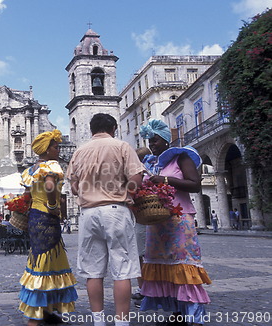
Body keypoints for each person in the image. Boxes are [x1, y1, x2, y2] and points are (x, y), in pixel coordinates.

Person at [66, 113, 144, 326]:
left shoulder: (79, 152)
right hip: (116, 210)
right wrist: (128, 194)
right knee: (122, 270)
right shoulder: (121, 147)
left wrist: (86, 189)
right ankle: (121, 322)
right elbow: (137, 177)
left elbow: (73, 187)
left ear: (91, 130)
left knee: (93, 271)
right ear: (113, 129)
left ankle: (98, 321)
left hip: (88, 214)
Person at [139, 119, 211, 325]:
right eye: (150, 141)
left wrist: (166, 180)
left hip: (180, 221)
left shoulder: (181, 158)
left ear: (165, 139)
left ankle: (193, 314)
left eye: (155, 141)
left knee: (184, 264)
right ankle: (178, 311)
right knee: (167, 265)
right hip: (158, 222)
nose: (152, 145)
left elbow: (195, 184)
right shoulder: (153, 163)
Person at [18, 129, 78, 326]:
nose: (58, 149)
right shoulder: (51, 165)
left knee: (41, 259)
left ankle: (46, 310)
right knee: (46, 261)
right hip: (46, 217)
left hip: (35, 218)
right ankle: (35, 315)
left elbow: (27, 195)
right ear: (46, 149)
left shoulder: (32, 169)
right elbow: (51, 186)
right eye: (55, 146)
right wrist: (53, 207)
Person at [132, 147, 153, 307]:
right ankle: (152, 289)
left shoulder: (140, 172)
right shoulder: (154, 170)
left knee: (140, 256)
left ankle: (145, 290)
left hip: (141, 218)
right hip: (153, 218)